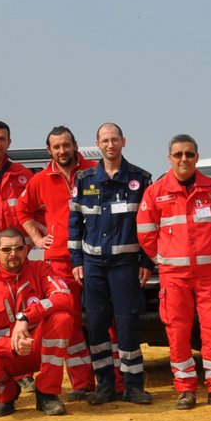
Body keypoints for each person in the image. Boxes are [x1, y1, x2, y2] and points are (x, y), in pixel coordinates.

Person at [138, 134, 211, 410]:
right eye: (178, 154)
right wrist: (163, 258)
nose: (184, 159)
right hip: (173, 276)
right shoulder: (156, 192)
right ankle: (185, 389)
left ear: (197, 157)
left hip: (207, 274)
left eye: (189, 154)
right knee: (177, 331)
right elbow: (145, 232)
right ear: (169, 158)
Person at [69, 122, 155, 406]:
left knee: (127, 325)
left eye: (114, 139)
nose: (110, 144)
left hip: (126, 265)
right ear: (98, 144)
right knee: (96, 326)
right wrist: (76, 261)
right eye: (104, 140)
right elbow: (74, 225)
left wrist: (146, 260)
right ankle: (105, 384)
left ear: (123, 142)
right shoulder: (83, 180)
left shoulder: (141, 179)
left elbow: (149, 224)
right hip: (93, 266)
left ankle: (132, 385)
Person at [0, 228, 78, 417]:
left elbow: (64, 297)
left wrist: (25, 318)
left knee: (62, 319)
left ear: (26, 250)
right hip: (4, 355)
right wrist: (11, 346)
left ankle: (48, 394)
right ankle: (6, 395)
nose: (13, 253)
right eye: (6, 249)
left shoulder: (41, 269)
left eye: (18, 248)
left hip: (36, 348)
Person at [21, 125, 98, 399]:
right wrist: (38, 239)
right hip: (60, 261)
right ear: (49, 150)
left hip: (96, 256)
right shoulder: (39, 180)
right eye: (57, 147)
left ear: (75, 144)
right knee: (71, 320)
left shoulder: (94, 171)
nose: (62, 151)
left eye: (66, 145)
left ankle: (117, 383)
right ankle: (83, 384)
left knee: (106, 319)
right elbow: (23, 211)